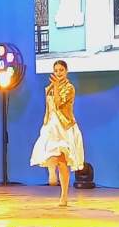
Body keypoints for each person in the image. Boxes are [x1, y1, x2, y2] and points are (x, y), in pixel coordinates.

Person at [30, 60, 84, 206]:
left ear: (66, 71)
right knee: (49, 152)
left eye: (61, 70)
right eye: (56, 70)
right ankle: (51, 170)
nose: (58, 73)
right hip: (51, 125)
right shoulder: (49, 88)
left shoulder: (69, 88)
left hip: (64, 126)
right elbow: (49, 108)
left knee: (63, 161)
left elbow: (59, 104)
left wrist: (55, 86)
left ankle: (64, 195)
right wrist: (45, 123)